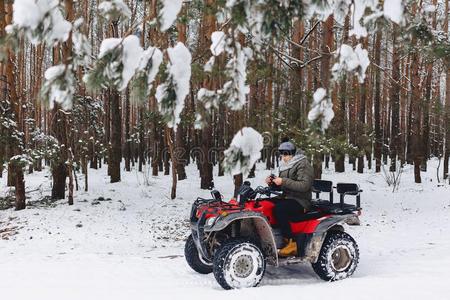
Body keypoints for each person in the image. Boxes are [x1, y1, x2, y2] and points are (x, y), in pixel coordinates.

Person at [266, 141, 314, 257]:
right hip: (287, 197)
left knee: (280, 209)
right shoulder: (287, 164)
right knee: (266, 204)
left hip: (301, 201)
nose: (283, 157)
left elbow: (304, 185)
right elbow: (284, 186)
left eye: (285, 154)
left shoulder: (303, 164)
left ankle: (291, 243)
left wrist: (283, 181)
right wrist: (272, 183)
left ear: (292, 153)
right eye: (282, 154)